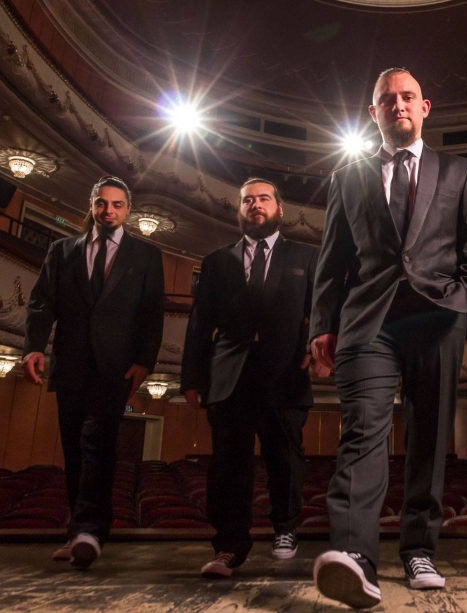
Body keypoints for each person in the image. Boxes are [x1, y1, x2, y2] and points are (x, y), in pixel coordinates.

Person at [309, 67, 467, 608]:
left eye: (408, 96)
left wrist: (464, 301)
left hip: (438, 318)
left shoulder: (460, 170)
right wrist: (322, 325)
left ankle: (419, 550)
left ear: (425, 107)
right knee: (362, 431)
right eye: (387, 99)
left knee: (429, 436)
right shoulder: (347, 177)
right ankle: (355, 557)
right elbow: (332, 260)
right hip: (369, 321)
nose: (399, 105)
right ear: (374, 113)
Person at [22, 175, 165, 569]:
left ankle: (89, 530)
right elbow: (41, 302)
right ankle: (81, 531)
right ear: (91, 205)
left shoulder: (146, 255)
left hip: (116, 367)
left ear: (128, 210)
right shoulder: (62, 250)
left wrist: (145, 361)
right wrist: (34, 346)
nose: (108, 210)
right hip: (70, 363)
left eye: (117, 204)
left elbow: (152, 314)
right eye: (102, 203)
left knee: (96, 443)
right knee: (74, 448)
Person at [181, 178, 319, 579]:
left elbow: (323, 310)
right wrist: (191, 376)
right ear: (239, 209)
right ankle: (229, 545)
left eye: (264, 199)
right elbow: (199, 324)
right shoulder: (216, 261)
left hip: (286, 371)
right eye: (247, 200)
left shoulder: (307, 257)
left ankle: (285, 528)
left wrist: (318, 348)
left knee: (285, 459)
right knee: (228, 465)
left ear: (280, 209)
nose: (255, 205)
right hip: (229, 374)